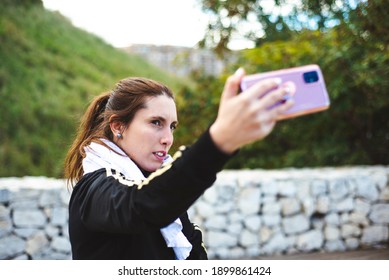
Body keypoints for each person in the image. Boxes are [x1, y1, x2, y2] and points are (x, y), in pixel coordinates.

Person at [64, 68, 294, 260]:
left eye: (172, 126)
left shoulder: (154, 181)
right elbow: (143, 206)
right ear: (118, 126)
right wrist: (219, 142)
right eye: (156, 122)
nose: (168, 138)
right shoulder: (93, 190)